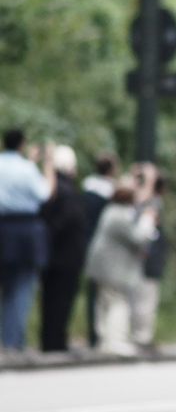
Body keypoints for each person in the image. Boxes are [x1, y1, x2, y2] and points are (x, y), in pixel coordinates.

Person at [84, 165, 159, 357]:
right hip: (112, 270)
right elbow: (138, 237)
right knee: (118, 303)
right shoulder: (120, 215)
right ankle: (116, 341)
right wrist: (147, 221)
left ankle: (104, 340)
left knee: (103, 304)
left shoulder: (112, 210)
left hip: (103, 268)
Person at [0, 128, 55, 352]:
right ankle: (13, 341)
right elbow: (45, 193)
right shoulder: (27, 169)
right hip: (25, 230)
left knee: (8, 288)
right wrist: (47, 163)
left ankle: (8, 338)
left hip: (3, 227)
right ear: (22, 144)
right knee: (22, 288)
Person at [39, 145, 87, 352]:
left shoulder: (49, 186)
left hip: (52, 255)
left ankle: (49, 340)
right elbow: (67, 221)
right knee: (61, 300)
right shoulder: (67, 191)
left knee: (49, 299)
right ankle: (55, 341)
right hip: (65, 256)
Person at [81, 151, 119, 347]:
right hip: (108, 248)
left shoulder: (86, 189)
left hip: (87, 242)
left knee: (93, 290)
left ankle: (93, 333)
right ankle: (105, 333)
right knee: (109, 293)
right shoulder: (111, 193)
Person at [132, 170, 168, 352]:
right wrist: (149, 179)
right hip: (147, 259)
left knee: (145, 298)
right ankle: (141, 337)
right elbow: (142, 202)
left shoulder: (149, 204)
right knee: (145, 299)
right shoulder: (149, 206)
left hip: (150, 260)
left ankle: (141, 335)